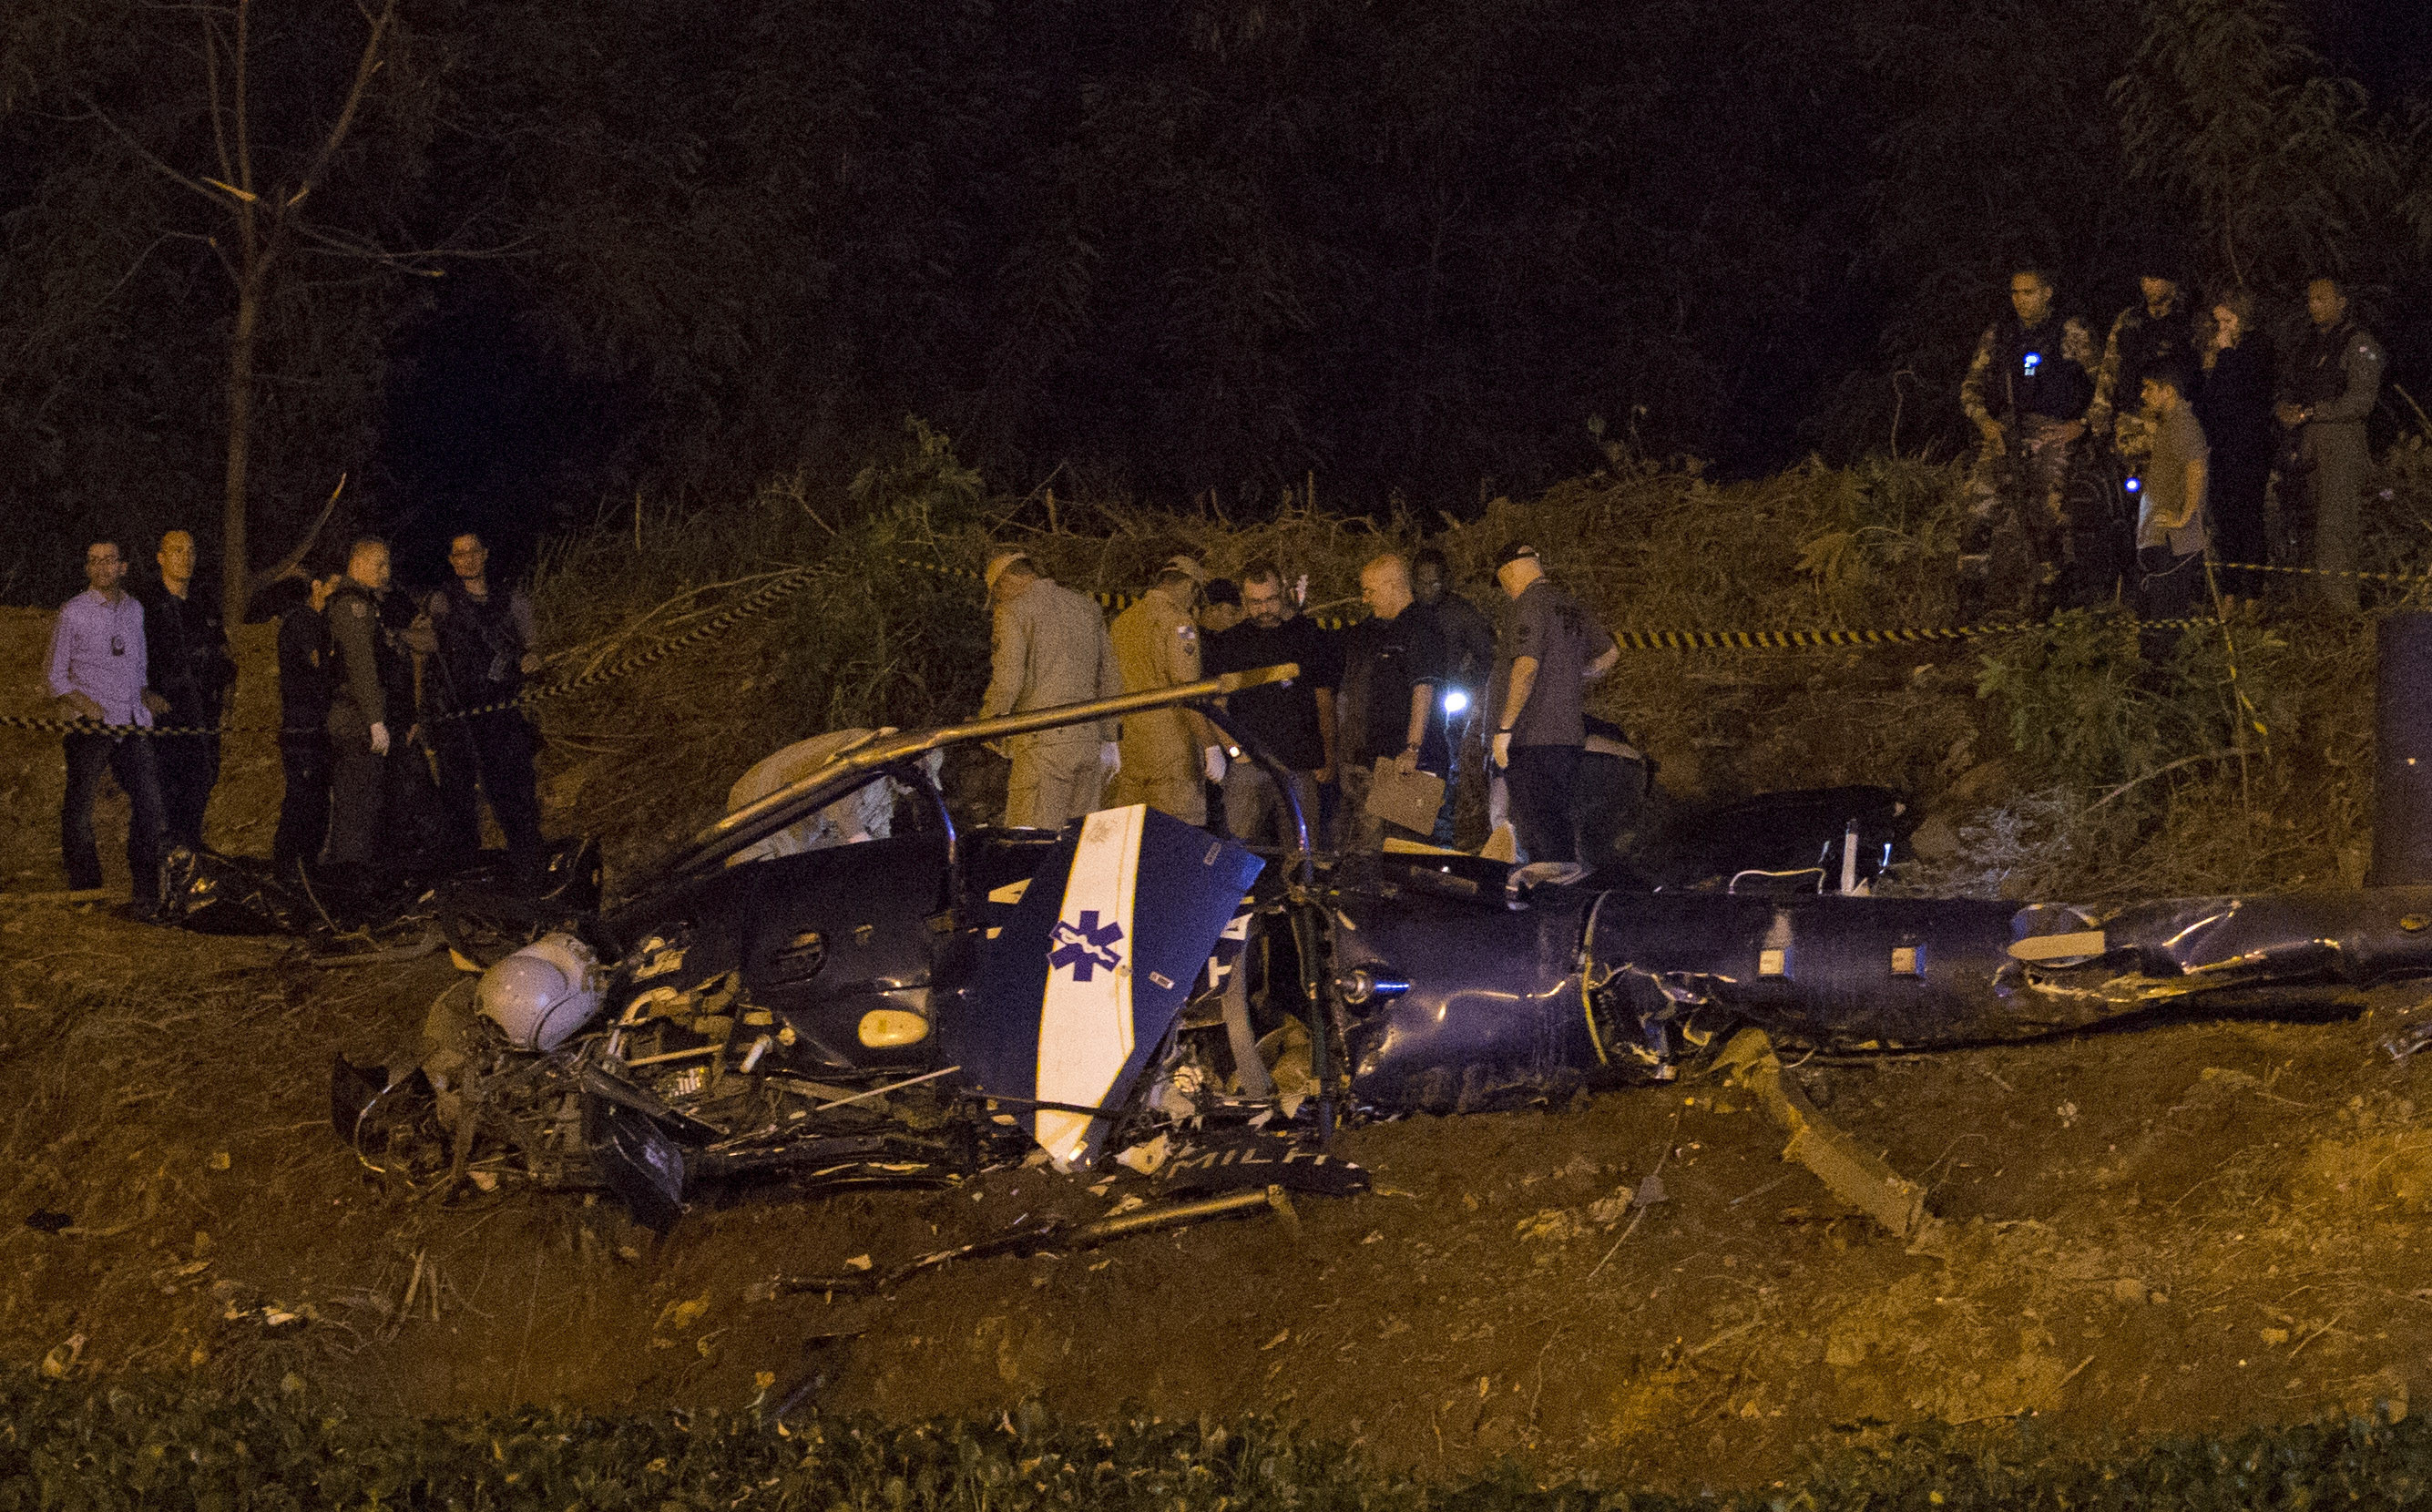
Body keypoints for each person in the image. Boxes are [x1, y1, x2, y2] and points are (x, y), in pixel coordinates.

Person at [1958, 266, 2097, 620]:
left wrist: (2083, 424)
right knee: (1978, 512)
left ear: (2047, 292)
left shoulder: (2071, 332)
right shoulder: (2000, 334)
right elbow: (1970, 387)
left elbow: (2105, 382)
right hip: (2006, 431)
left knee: (2046, 515)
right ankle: (1970, 602)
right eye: (2015, 293)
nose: (2021, 300)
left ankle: (2049, 599)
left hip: (2052, 431)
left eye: (2029, 292)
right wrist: (1986, 422)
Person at [46, 540, 170, 908]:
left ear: (123, 567)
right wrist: (87, 706)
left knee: (151, 807)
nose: (101, 567)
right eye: (94, 561)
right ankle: (87, 889)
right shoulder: (73, 613)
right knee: (80, 808)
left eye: (109, 560)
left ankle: (147, 889)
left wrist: (146, 695)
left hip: (132, 721)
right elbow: (55, 677)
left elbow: (138, 665)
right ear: (87, 568)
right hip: (92, 726)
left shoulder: (134, 610)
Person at [424, 532, 547, 883]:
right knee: (460, 801)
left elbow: (532, 645)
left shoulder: (511, 599)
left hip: (503, 712)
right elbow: (427, 655)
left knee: (516, 794)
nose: (467, 559)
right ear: (451, 561)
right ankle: (468, 877)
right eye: (459, 555)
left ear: (485, 554)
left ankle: (531, 869)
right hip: (458, 719)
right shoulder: (441, 603)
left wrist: (530, 659)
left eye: (473, 552)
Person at [1487, 542, 1620, 865]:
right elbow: (1610, 653)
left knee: (1539, 834)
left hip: (1532, 740)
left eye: (1502, 581)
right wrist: (1573, 675)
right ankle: (1564, 892)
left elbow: (1526, 669)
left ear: (1508, 571)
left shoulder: (1529, 604)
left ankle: (1551, 904)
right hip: (1568, 739)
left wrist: (1505, 729)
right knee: (1557, 825)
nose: (1505, 590)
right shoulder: (1570, 605)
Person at [976, 551, 1124, 829]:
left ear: (1006, 580)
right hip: (1088, 743)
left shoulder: (1013, 611)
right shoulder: (1087, 607)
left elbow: (1008, 677)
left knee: (1034, 845)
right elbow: (1110, 676)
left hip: (1041, 746)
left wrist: (988, 724)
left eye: (996, 593)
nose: (997, 600)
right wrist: (1109, 736)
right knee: (1077, 846)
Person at [1203, 560, 1340, 847]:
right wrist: (1234, 750)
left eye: (1270, 600)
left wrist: (1328, 754)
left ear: (1282, 593)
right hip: (1247, 767)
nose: (1264, 609)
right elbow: (1216, 704)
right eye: (1255, 602)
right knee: (1239, 852)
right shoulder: (1230, 643)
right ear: (1243, 600)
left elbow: (1323, 700)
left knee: (1302, 851)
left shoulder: (1307, 636)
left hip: (1300, 764)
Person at [2276, 277, 2384, 611]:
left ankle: (2343, 611)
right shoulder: (2309, 346)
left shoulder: (2360, 344)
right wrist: (2285, 410)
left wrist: (2315, 412)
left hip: (2341, 444)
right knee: (2305, 525)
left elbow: (2361, 403)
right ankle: (2312, 606)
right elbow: (2291, 388)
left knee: (2336, 528)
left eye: (2323, 298)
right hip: (2307, 446)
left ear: (2342, 301)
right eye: (2311, 299)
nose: (2315, 305)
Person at [1334, 553, 1448, 852]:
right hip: (1377, 759)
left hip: (1408, 762)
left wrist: (1412, 748)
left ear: (1394, 586)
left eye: (1371, 591)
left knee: (1404, 850)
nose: (1365, 599)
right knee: (1371, 848)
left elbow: (1424, 689)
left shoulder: (1421, 628)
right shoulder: (1376, 630)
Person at [136, 529, 236, 851]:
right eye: (176, 550)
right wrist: (144, 693)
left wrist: (226, 695)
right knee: (167, 794)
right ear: (161, 558)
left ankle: (191, 856)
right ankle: (162, 870)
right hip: (166, 717)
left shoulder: (203, 603)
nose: (185, 557)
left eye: (190, 550)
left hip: (204, 714)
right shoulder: (146, 606)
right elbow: (128, 659)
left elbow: (222, 654)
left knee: (201, 783)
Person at [1109, 556, 1224, 825]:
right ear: (1189, 587)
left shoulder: (1122, 622)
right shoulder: (1179, 624)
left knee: (1134, 840)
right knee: (1175, 841)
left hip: (1130, 751)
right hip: (1173, 756)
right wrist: (1210, 745)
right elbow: (1187, 692)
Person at [322, 537, 406, 880]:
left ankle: (356, 875)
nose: (385, 572)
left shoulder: (366, 604)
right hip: (354, 718)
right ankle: (349, 881)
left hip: (357, 716)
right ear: (357, 563)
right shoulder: (352, 605)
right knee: (356, 801)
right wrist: (375, 720)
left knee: (365, 799)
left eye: (387, 564)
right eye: (379, 564)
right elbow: (360, 665)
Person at [2193, 289, 2274, 608]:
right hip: (2221, 447)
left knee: (2248, 518)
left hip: (2250, 447)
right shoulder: (2215, 351)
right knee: (2225, 519)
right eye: (2218, 322)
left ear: (2243, 318)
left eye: (2228, 320)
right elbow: (2210, 399)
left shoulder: (2257, 348)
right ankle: (2229, 592)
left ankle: (2252, 594)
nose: (2221, 328)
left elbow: (2243, 390)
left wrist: (2226, 355)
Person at [269, 567, 341, 875]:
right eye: (334, 586)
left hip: (318, 727)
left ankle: (306, 866)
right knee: (303, 798)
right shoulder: (302, 622)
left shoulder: (321, 623)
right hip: (303, 728)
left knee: (318, 799)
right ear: (317, 587)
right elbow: (318, 668)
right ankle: (287, 865)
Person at [2132, 370, 2211, 643]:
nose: (2143, 394)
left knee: (2166, 621)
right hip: (2159, 537)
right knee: (2153, 618)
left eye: (2149, 387)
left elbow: (2196, 469)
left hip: (2171, 544)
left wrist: (2184, 516)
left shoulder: (2183, 426)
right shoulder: (2169, 424)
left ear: (2169, 392)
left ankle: (2166, 678)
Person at [2089, 270, 2196, 455]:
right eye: (2144, 279)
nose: (2147, 285)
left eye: (2153, 280)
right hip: (2130, 420)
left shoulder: (2191, 321)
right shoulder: (2129, 320)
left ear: (2171, 282)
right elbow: (2109, 369)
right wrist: (2100, 414)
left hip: (2173, 424)